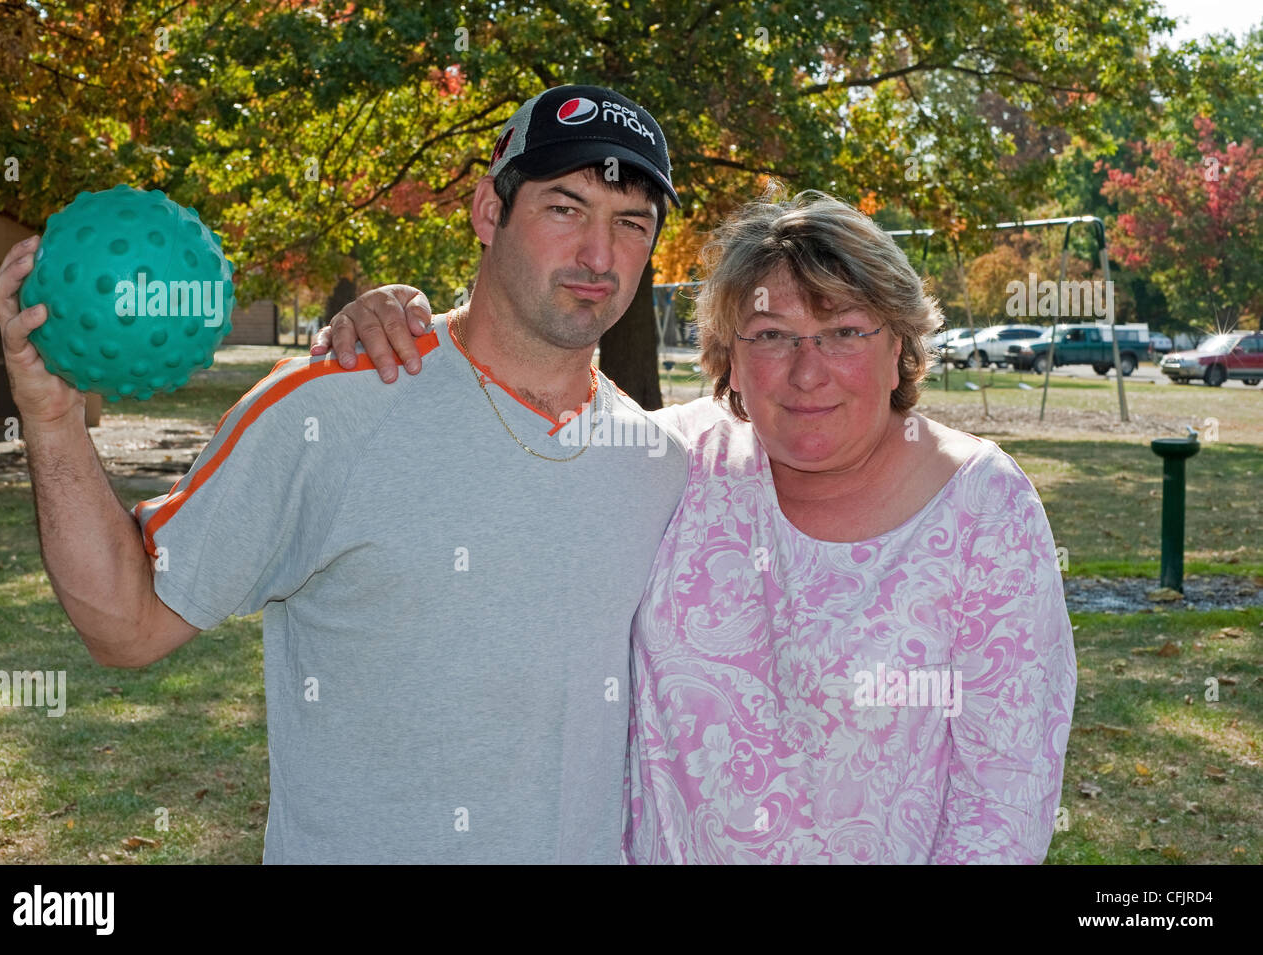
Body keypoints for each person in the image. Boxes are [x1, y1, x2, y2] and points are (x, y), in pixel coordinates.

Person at [0, 84, 688, 863]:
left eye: (631, 223)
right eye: (566, 208)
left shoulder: (659, 463)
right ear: (489, 212)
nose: (599, 255)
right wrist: (50, 420)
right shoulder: (329, 407)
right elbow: (126, 624)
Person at [316, 188, 1078, 864]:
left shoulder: (982, 506)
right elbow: (500, 455)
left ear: (900, 347)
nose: (807, 371)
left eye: (844, 331)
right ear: (729, 357)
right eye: (772, 335)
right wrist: (405, 332)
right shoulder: (669, 462)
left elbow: (1003, 801)